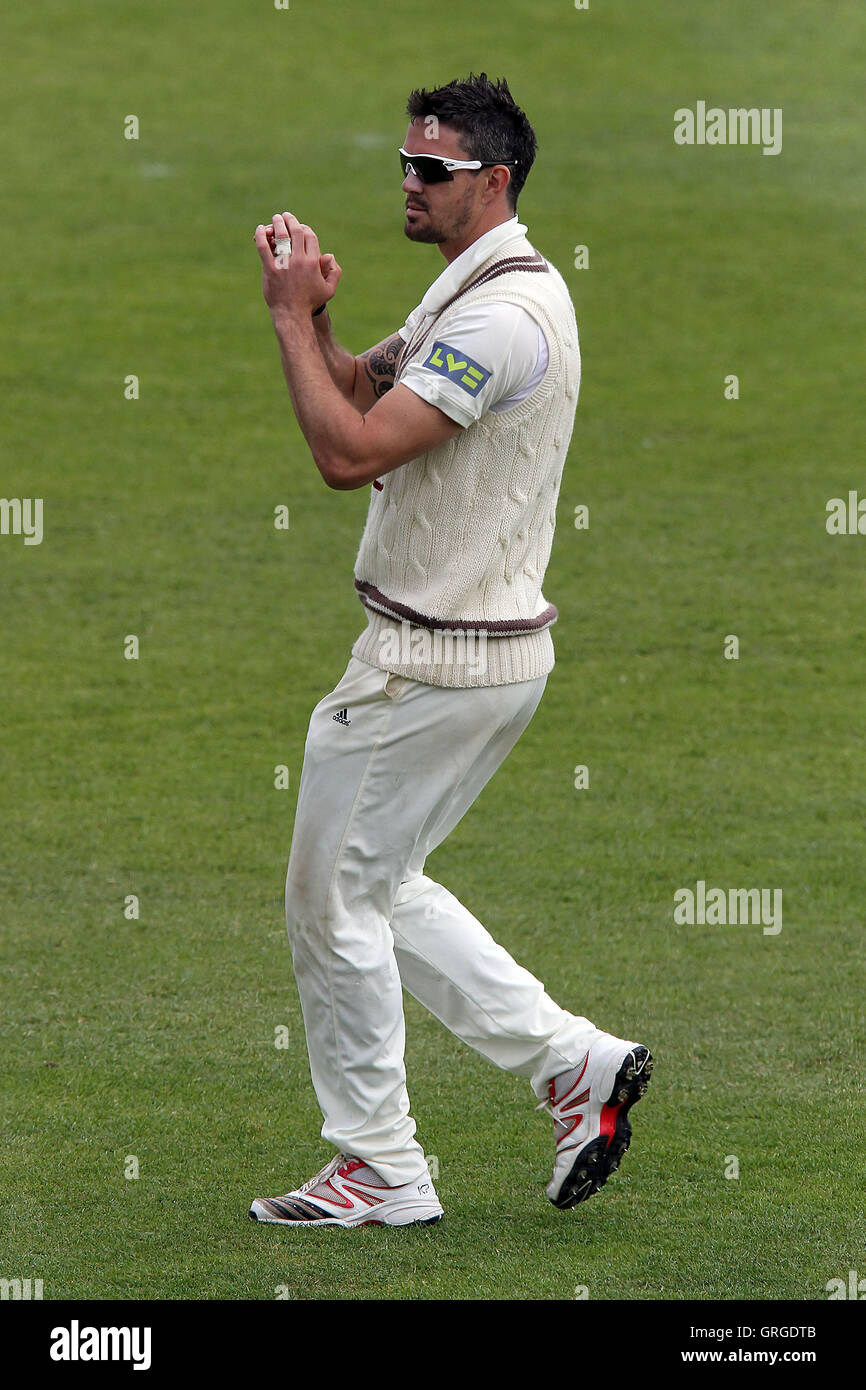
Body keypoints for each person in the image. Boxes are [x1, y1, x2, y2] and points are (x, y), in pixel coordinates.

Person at [249, 73, 651, 1228]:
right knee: (380, 886)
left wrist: (283, 320)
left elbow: (347, 454)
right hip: (470, 653)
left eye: (433, 169)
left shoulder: (498, 317)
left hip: (429, 667)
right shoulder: (472, 287)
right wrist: (318, 320)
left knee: (330, 903)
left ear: (494, 180)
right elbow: (363, 395)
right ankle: (573, 1064)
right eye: (404, 164)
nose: (410, 184)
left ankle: (379, 1166)